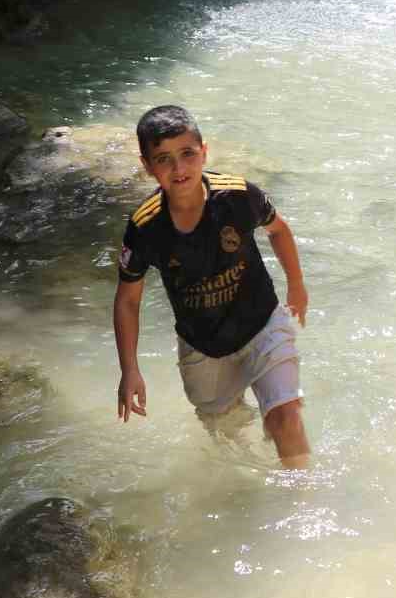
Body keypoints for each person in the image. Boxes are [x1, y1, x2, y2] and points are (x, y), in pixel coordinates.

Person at [113, 105, 313, 468]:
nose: (179, 169)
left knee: (285, 417)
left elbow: (279, 229)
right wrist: (130, 369)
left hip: (262, 324)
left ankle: (303, 500)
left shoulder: (237, 196)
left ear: (204, 152)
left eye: (188, 154)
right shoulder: (145, 227)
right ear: (147, 166)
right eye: (164, 159)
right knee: (228, 433)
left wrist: (296, 286)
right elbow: (127, 300)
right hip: (202, 346)